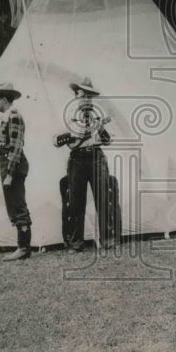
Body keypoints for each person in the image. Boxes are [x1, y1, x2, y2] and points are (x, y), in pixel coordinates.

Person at [55, 77, 121, 252]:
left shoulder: (98, 116)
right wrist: (80, 133)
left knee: (103, 199)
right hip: (77, 159)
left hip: (96, 157)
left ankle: (108, 239)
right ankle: (76, 242)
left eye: (89, 96)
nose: (86, 99)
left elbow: (108, 142)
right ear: (76, 96)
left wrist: (98, 127)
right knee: (76, 202)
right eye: (83, 95)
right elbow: (63, 142)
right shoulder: (69, 117)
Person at [0, 83, 33, 261]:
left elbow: (16, 147)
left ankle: (23, 247)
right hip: (6, 162)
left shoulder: (14, 116)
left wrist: (10, 174)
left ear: (5, 99)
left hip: (12, 164)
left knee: (17, 204)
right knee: (13, 205)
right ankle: (22, 246)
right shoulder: (6, 117)